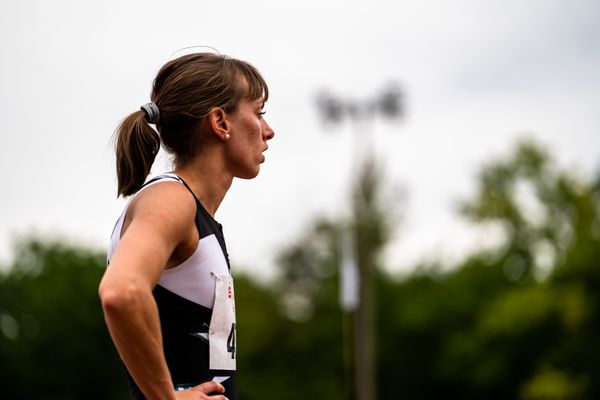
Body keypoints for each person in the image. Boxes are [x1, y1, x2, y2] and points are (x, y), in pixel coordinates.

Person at [99, 52, 274, 400]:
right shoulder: (171, 200)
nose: (269, 131)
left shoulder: (191, 209)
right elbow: (120, 292)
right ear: (220, 122)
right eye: (259, 113)